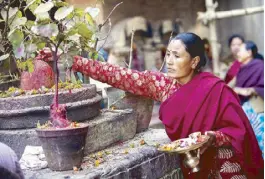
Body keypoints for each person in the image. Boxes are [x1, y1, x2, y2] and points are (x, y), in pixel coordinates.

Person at [72, 32, 263, 178]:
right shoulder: (163, 85)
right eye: (168, 54)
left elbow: (238, 131)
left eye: (176, 56)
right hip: (190, 164)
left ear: (194, 61)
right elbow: (119, 75)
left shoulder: (215, 89)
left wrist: (211, 137)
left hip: (223, 163)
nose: (169, 61)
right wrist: (75, 62)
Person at [233, 41, 264, 158]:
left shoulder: (259, 65)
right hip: (244, 109)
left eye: (240, 50)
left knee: (261, 140)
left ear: (249, 52)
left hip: (257, 109)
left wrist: (247, 90)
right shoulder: (242, 68)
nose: (237, 53)